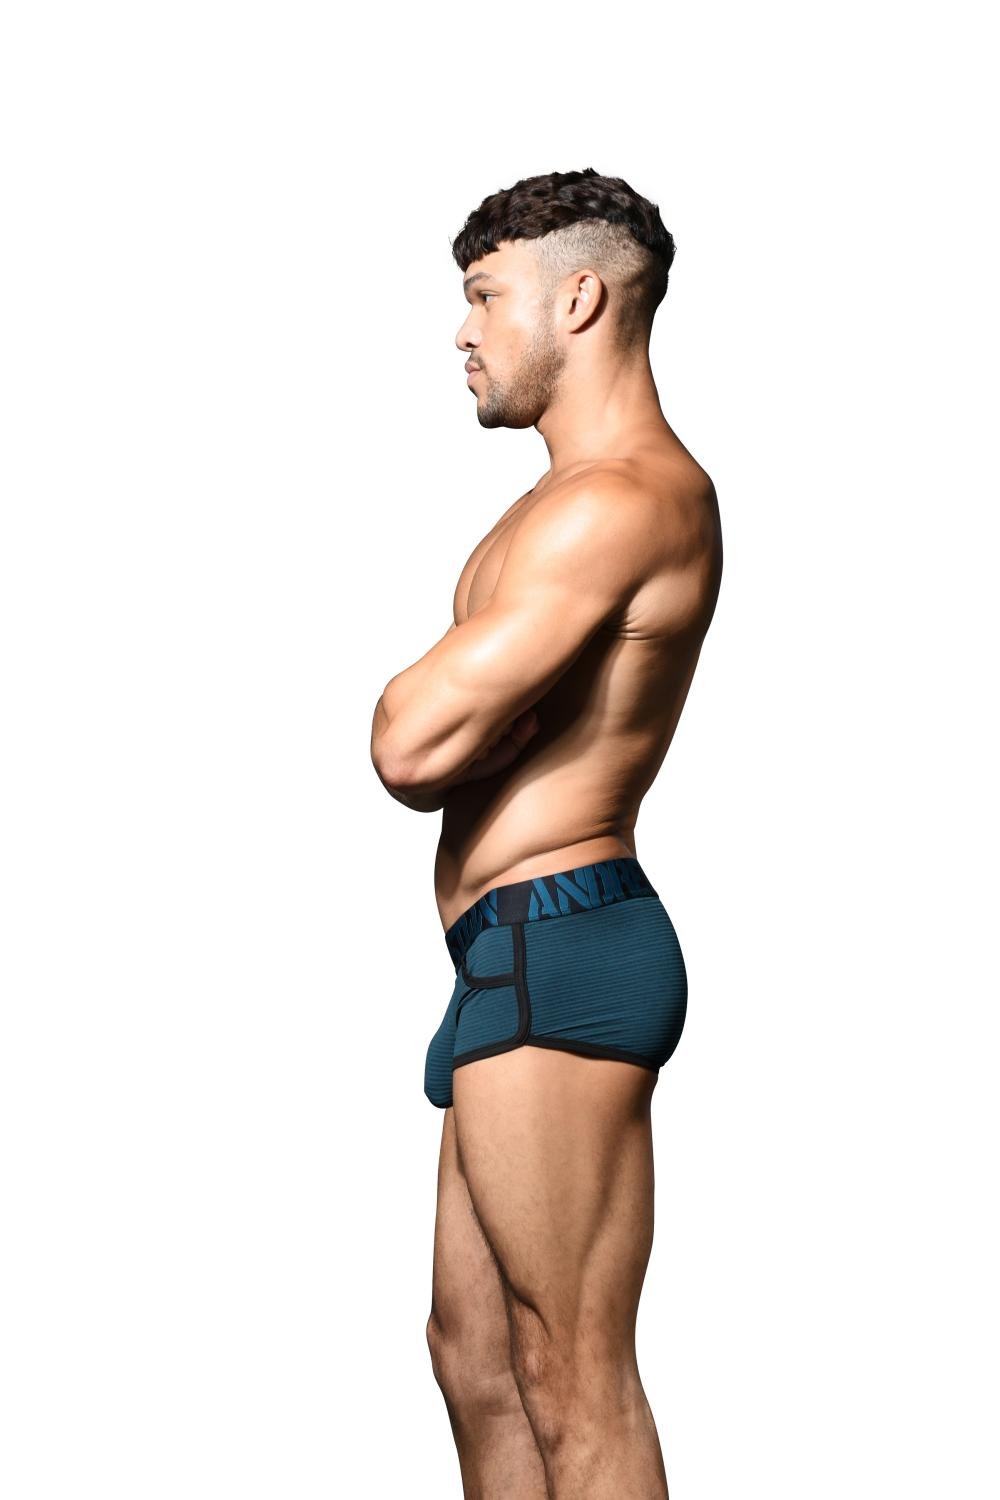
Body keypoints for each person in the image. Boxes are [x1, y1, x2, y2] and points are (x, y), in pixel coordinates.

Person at [370, 167, 722, 1499]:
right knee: (475, 1356)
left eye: (484, 296)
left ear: (579, 298)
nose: (462, 331)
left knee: (572, 1368)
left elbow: (409, 742)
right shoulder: (554, 505)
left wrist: (452, 721)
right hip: (502, 953)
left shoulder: (619, 502)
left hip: (562, 943)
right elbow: (439, 741)